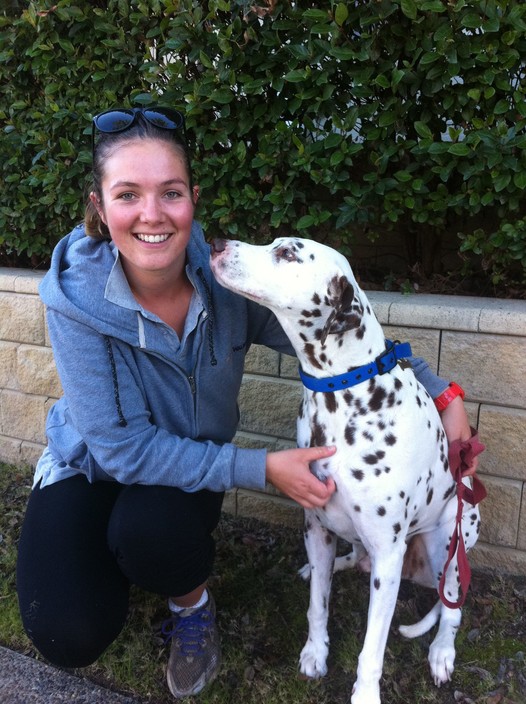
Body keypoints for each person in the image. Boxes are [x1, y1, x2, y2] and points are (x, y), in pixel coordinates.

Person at [16, 106, 476, 699]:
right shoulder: (75, 299)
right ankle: (111, 555)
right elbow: (122, 448)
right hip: (90, 465)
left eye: (170, 193)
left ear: (192, 200)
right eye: (128, 194)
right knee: (66, 632)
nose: (152, 214)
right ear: (100, 206)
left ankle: (189, 605)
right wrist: (261, 470)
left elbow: (349, 342)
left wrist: (445, 392)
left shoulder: (230, 285)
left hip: (177, 485)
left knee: (150, 530)